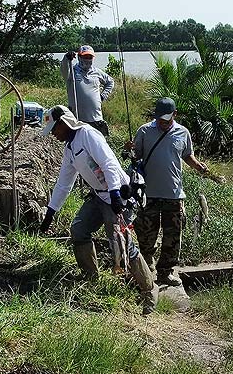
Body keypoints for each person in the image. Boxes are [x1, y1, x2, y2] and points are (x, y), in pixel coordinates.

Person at [37, 105, 158, 314]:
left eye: (55, 129)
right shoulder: (69, 148)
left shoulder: (88, 135)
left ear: (65, 123)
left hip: (118, 194)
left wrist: (115, 195)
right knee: (79, 230)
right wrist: (50, 212)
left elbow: (109, 164)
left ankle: (149, 290)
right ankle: (91, 278)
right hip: (99, 196)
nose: (54, 135)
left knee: (123, 244)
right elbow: (64, 183)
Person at [128, 98, 210, 293]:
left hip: (174, 193)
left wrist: (198, 166)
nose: (162, 123)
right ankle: (147, 267)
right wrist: (129, 149)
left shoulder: (183, 132)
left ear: (175, 115)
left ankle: (166, 271)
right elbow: (135, 155)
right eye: (159, 119)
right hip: (148, 194)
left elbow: (187, 155)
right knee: (147, 234)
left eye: (166, 119)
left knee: (173, 235)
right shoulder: (145, 131)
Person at [60, 45, 115, 136]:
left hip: (96, 119)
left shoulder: (97, 72)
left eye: (90, 57)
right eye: (85, 57)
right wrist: (66, 58)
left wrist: (103, 96)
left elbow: (110, 82)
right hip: (77, 119)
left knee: (97, 146)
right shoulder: (72, 72)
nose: (88, 59)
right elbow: (64, 70)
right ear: (79, 57)